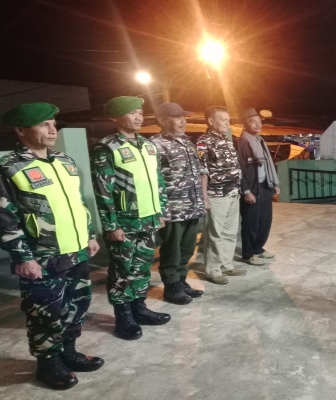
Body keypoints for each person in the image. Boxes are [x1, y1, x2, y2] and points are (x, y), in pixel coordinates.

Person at [0, 103, 103, 390]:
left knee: (77, 304)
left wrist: (89, 235)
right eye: (43, 125)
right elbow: (4, 217)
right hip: (42, 255)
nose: (53, 130)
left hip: (76, 249)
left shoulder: (64, 161)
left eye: (53, 123)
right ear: (20, 130)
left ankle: (68, 351)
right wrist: (22, 258)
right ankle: (48, 364)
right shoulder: (6, 167)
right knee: (44, 312)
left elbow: (77, 202)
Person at [91, 96, 170, 340]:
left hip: (149, 218)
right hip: (124, 222)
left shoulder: (147, 145)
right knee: (122, 270)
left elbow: (158, 180)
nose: (138, 117)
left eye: (140, 112)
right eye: (132, 113)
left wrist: (160, 211)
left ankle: (139, 308)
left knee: (142, 267)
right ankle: (123, 317)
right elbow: (103, 190)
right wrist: (111, 225)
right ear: (115, 117)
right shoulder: (106, 147)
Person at [150, 102, 206, 304]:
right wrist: (159, 210)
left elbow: (198, 172)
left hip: (192, 206)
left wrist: (202, 200)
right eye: (177, 118)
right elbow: (152, 180)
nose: (183, 121)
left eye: (184, 118)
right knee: (172, 251)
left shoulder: (186, 142)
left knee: (187, 248)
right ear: (163, 120)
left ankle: (181, 281)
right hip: (173, 208)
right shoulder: (155, 145)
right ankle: (171, 287)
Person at [196, 106, 247, 284]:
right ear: (211, 121)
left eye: (228, 119)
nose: (227, 123)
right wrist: (204, 198)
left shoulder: (226, 140)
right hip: (216, 195)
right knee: (215, 234)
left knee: (230, 232)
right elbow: (202, 172)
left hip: (233, 193)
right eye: (223, 119)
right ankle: (213, 269)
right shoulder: (203, 142)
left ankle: (226, 265)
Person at [234, 108, 280, 266]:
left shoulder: (260, 140)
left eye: (259, 122)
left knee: (265, 221)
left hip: (265, 186)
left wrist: (274, 184)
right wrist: (246, 190)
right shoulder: (241, 143)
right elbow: (239, 168)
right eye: (253, 122)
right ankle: (248, 254)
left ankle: (258, 248)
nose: (257, 125)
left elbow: (268, 164)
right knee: (250, 223)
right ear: (244, 125)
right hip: (252, 188)